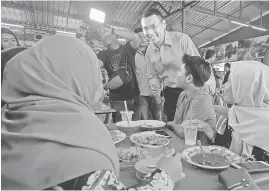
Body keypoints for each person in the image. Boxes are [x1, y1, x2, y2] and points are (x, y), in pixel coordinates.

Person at [1, 35, 185, 190]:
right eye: (92, 72)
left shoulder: (11, 118)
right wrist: (165, 176)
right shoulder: (75, 154)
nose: (98, 82)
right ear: (72, 76)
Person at [223, 61, 269, 181]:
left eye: (229, 81)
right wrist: (207, 130)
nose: (224, 86)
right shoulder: (236, 112)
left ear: (247, 88)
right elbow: (225, 147)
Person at [141, 8, 200, 122]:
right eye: (145, 28)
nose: (149, 32)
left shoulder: (182, 39)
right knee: (174, 127)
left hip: (190, 92)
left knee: (192, 128)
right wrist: (154, 82)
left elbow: (198, 67)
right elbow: (153, 75)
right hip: (170, 93)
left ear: (163, 24)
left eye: (153, 26)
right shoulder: (149, 51)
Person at [167, 55, 216, 145]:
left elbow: (184, 132)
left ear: (189, 78)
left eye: (179, 72)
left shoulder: (202, 98)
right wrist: (173, 124)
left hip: (199, 151)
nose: (176, 75)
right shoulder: (183, 95)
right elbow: (178, 123)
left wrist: (171, 124)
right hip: (182, 144)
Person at [97, 26, 140, 122]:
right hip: (118, 100)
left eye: (105, 33)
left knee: (136, 129)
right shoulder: (103, 54)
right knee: (121, 130)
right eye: (101, 36)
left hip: (135, 97)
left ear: (114, 35)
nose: (103, 37)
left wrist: (112, 30)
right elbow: (95, 64)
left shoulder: (127, 48)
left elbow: (135, 37)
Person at [134, 27, 162, 120]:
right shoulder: (132, 55)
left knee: (159, 119)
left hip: (157, 93)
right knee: (144, 120)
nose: (142, 39)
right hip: (141, 94)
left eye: (144, 36)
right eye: (139, 37)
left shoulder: (155, 51)